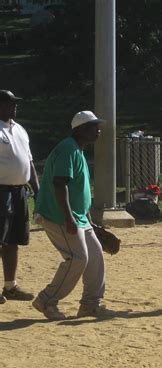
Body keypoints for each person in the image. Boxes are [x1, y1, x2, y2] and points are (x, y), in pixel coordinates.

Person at [32, 110, 110, 320]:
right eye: (94, 126)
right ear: (82, 129)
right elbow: (60, 184)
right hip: (59, 216)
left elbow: (77, 191)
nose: (98, 129)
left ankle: (90, 304)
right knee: (78, 258)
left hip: (80, 217)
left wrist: (89, 221)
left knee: (95, 256)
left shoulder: (78, 150)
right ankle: (47, 300)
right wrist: (69, 219)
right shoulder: (67, 149)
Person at [0, 90, 39, 305]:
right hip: (1, 190)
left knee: (13, 240)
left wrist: (38, 189)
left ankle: (10, 286)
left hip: (19, 191)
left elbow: (29, 162)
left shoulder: (20, 130)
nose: (14, 107)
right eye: (9, 103)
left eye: (15, 103)